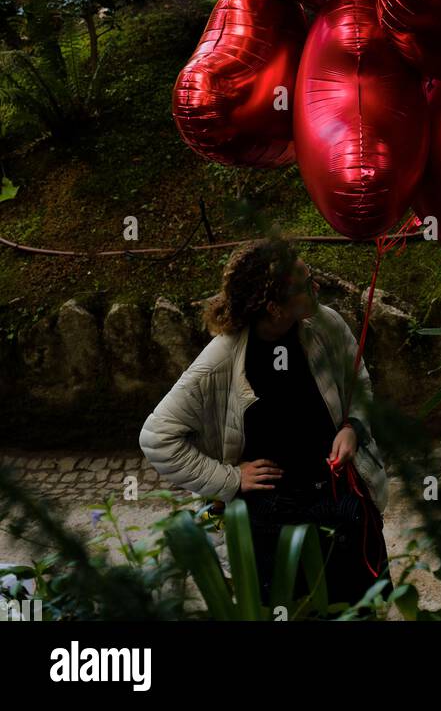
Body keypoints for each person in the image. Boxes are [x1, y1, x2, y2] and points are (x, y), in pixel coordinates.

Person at [139, 240, 390, 611]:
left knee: (365, 606)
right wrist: (230, 478)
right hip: (271, 519)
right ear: (274, 307)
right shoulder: (220, 360)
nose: (315, 285)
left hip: (338, 501)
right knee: (293, 609)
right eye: (304, 283)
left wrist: (352, 426)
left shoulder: (325, 325)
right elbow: (157, 438)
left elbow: (360, 385)